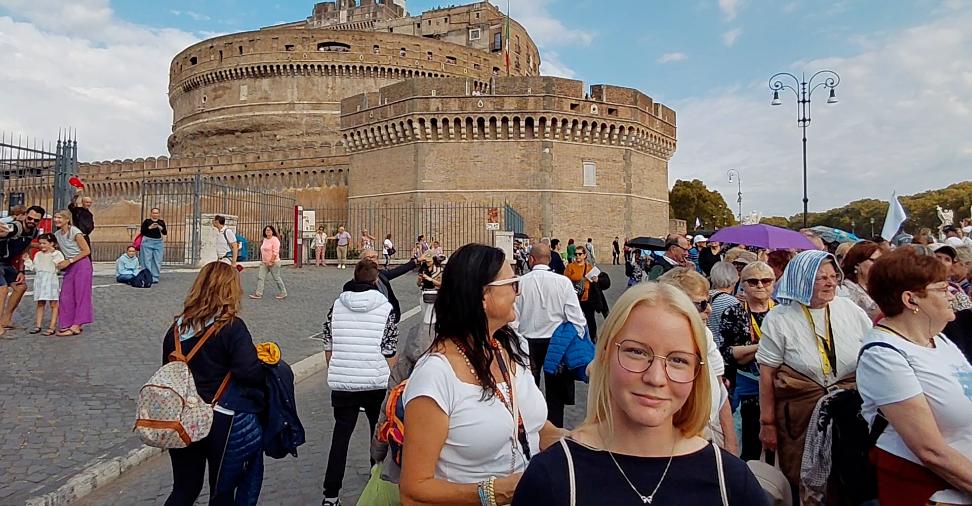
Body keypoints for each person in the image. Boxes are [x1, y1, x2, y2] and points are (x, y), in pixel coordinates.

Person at [512, 283, 768, 505]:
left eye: (678, 360)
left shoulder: (730, 481)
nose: (655, 378)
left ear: (697, 373)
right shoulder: (552, 477)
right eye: (636, 352)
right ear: (604, 356)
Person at [399, 244, 564, 506]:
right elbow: (413, 492)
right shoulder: (435, 375)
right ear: (482, 296)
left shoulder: (512, 346)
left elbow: (528, 423)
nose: (518, 293)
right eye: (512, 283)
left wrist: (574, 444)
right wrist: (496, 492)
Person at [857, 247, 972, 505]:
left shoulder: (938, 339)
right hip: (932, 494)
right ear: (911, 300)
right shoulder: (883, 355)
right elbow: (930, 450)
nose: (953, 294)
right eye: (942, 289)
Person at [756, 250, 871, 495]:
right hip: (799, 417)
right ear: (802, 279)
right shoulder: (780, 318)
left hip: (848, 412)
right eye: (821, 278)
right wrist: (767, 423)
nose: (831, 282)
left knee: (847, 477)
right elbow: (767, 375)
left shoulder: (849, 309)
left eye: (833, 276)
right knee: (802, 479)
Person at [162, 262, 266, 505]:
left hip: (184, 418)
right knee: (222, 490)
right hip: (220, 417)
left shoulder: (176, 329)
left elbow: (169, 372)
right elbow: (248, 372)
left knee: (184, 488)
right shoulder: (231, 327)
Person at [321, 260, 399, 506]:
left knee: (340, 438)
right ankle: (376, 478)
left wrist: (335, 368)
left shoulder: (337, 305)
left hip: (343, 383)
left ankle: (330, 495)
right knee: (379, 434)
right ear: (376, 281)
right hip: (375, 381)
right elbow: (390, 350)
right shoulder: (386, 308)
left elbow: (328, 341)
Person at [658, 268, 737, 455]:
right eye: (702, 304)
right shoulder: (659, 341)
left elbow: (720, 389)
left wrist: (731, 442)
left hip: (709, 428)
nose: (709, 309)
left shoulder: (705, 335)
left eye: (708, 301)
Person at [516, 244, 587, 427]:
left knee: (528, 390)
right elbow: (577, 318)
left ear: (531, 259)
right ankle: (555, 430)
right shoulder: (562, 282)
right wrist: (575, 341)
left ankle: (530, 427)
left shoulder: (520, 283)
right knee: (555, 394)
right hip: (556, 343)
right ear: (549, 259)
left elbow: (513, 318)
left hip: (527, 343)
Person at [719, 261, 776, 461]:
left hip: (777, 389)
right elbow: (728, 353)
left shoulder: (780, 312)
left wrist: (747, 350)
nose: (760, 285)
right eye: (753, 281)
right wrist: (764, 347)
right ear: (742, 284)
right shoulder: (734, 312)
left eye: (766, 281)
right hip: (748, 390)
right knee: (750, 445)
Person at [0, 205, 43, 337]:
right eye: (30, 218)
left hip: (6, 262)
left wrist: (21, 271)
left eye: (36, 220)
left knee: (21, 287)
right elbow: (4, 231)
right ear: (25, 215)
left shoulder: (34, 232)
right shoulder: (15, 226)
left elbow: (25, 249)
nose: (32, 221)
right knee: (2, 289)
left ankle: (6, 319)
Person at [54, 209, 93, 337]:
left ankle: (77, 325)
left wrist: (69, 260)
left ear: (67, 219)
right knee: (66, 295)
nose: (57, 220)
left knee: (81, 294)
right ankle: (67, 322)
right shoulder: (57, 234)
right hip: (70, 266)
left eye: (60, 218)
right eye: (55, 217)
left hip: (81, 264)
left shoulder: (75, 232)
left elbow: (86, 250)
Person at [360, 248, 418, 323]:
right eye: (369, 258)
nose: (373, 260)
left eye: (375, 257)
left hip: (387, 318)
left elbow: (397, 271)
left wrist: (416, 261)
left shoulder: (380, 275)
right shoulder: (360, 280)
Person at [839, 240, 883, 322]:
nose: (878, 265)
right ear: (857, 264)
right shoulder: (845, 290)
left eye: (880, 260)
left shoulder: (881, 287)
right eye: (873, 261)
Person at [565, 247, 601, 340]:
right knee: (575, 319)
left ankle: (593, 336)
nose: (577, 256)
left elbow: (596, 280)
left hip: (588, 298)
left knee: (590, 319)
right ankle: (577, 338)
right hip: (575, 297)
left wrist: (596, 280)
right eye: (576, 254)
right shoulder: (570, 267)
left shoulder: (589, 267)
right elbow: (565, 281)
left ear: (584, 255)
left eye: (580, 254)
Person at [30, 234, 63, 336]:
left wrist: (53, 254)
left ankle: (52, 326)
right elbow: (34, 268)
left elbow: (59, 265)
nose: (41, 245)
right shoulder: (38, 255)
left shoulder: (57, 254)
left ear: (51, 243)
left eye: (44, 243)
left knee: (53, 303)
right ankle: (38, 325)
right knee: (40, 302)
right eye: (40, 243)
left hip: (51, 279)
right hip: (40, 279)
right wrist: (27, 261)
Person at [707, 261, 742, 349]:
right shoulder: (732, 302)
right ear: (735, 278)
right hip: (721, 350)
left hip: (707, 346)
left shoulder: (706, 296)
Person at [250, 226, 287, 300]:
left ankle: (283, 292)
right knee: (261, 277)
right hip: (264, 263)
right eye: (266, 230)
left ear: (272, 231)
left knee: (276, 278)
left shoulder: (275, 240)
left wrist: (271, 261)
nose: (268, 232)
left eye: (269, 230)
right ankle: (258, 293)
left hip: (274, 262)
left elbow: (275, 251)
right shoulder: (265, 239)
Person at [139, 207, 167, 283]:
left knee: (157, 260)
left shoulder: (161, 222)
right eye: (154, 213)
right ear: (151, 214)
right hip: (147, 241)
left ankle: (155, 277)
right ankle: (147, 276)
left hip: (158, 242)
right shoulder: (147, 221)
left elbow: (165, 233)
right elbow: (142, 231)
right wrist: (150, 227)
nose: (155, 214)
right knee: (146, 260)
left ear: (159, 214)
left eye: (157, 213)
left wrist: (160, 228)